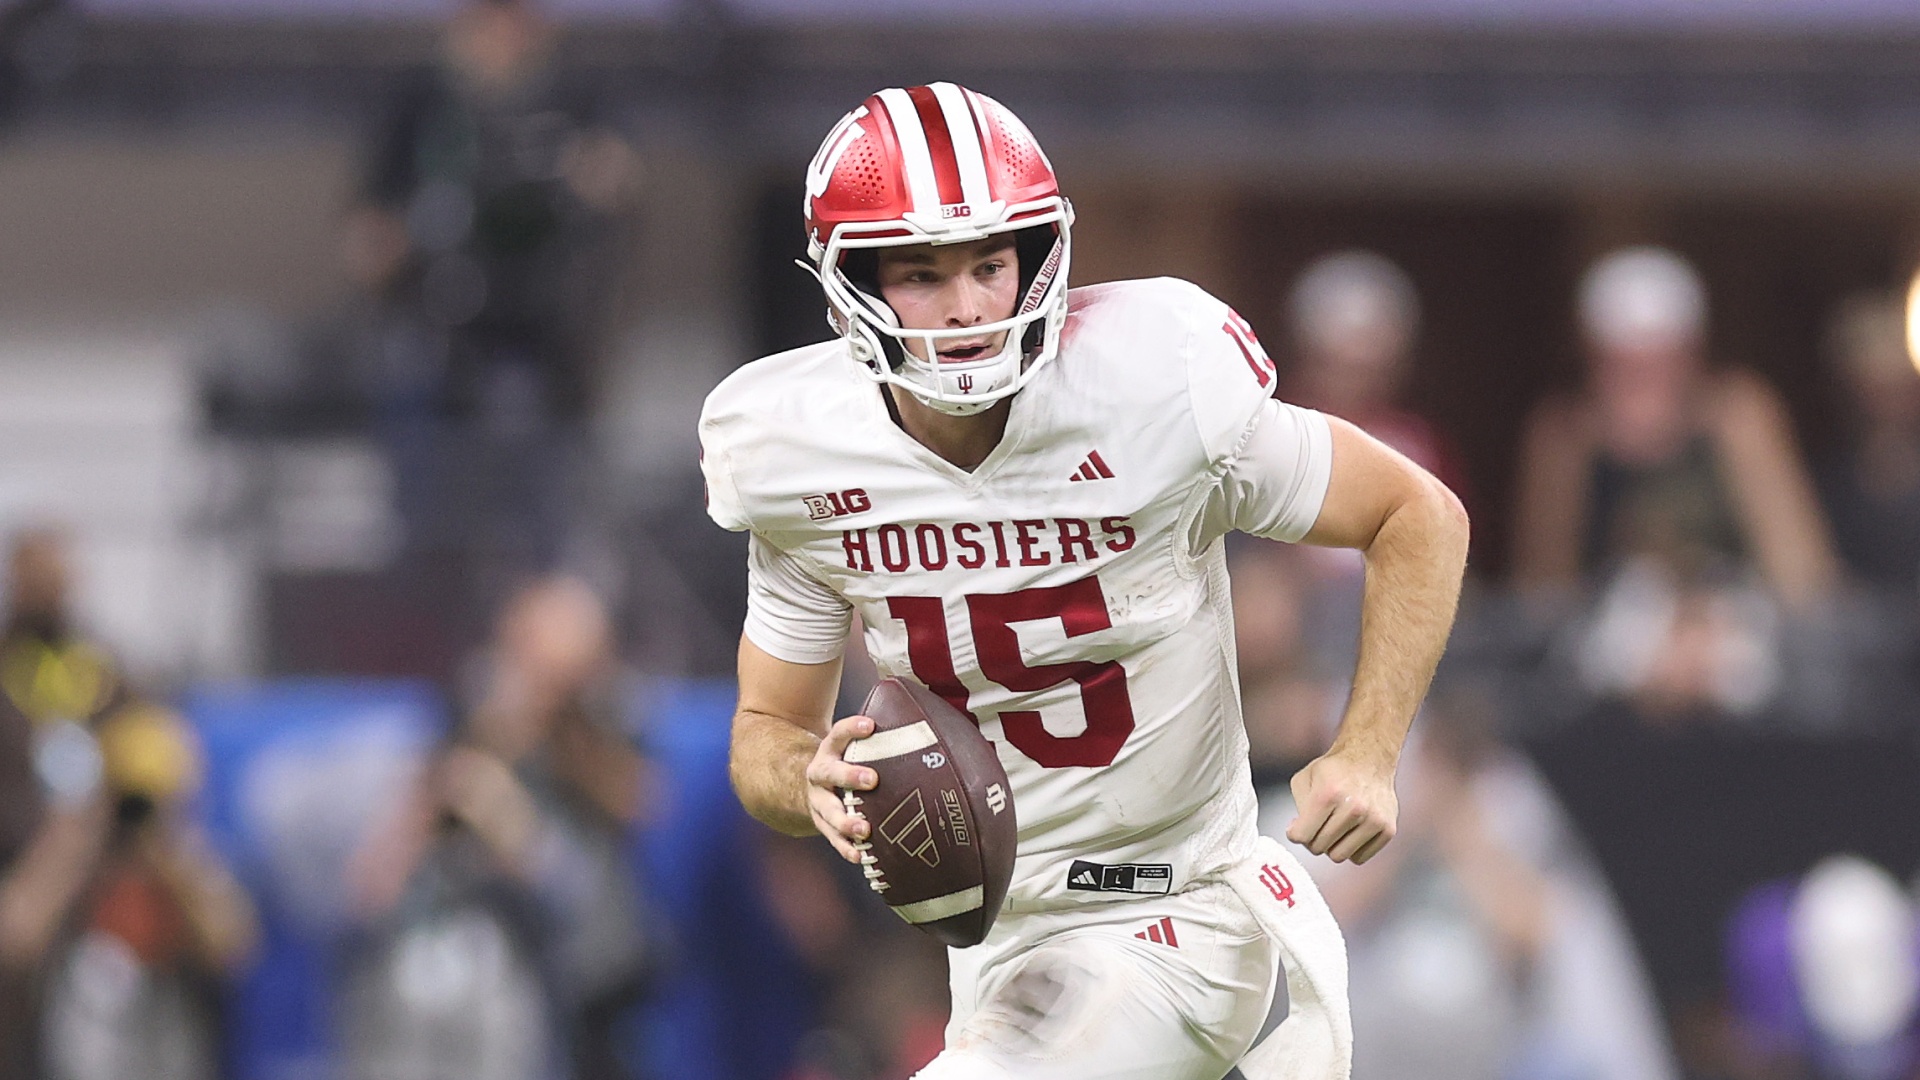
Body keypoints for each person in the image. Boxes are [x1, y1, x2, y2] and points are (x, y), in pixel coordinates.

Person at [697, 83, 1469, 1080]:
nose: (971, 307)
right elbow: (767, 731)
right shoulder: (800, 454)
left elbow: (1416, 513)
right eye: (925, 274)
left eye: (990, 263)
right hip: (1000, 946)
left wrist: (1368, 751)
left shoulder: (1149, 380)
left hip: (1178, 909)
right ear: (854, 280)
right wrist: (805, 784)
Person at [1512, 246, 1838, 612]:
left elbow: (1805, 579)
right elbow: (1540, 595)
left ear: (1691, 359)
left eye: (1658, 367)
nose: (1640, 388)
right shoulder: (1564, 437)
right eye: (1622, 368)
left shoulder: (1740, 419)